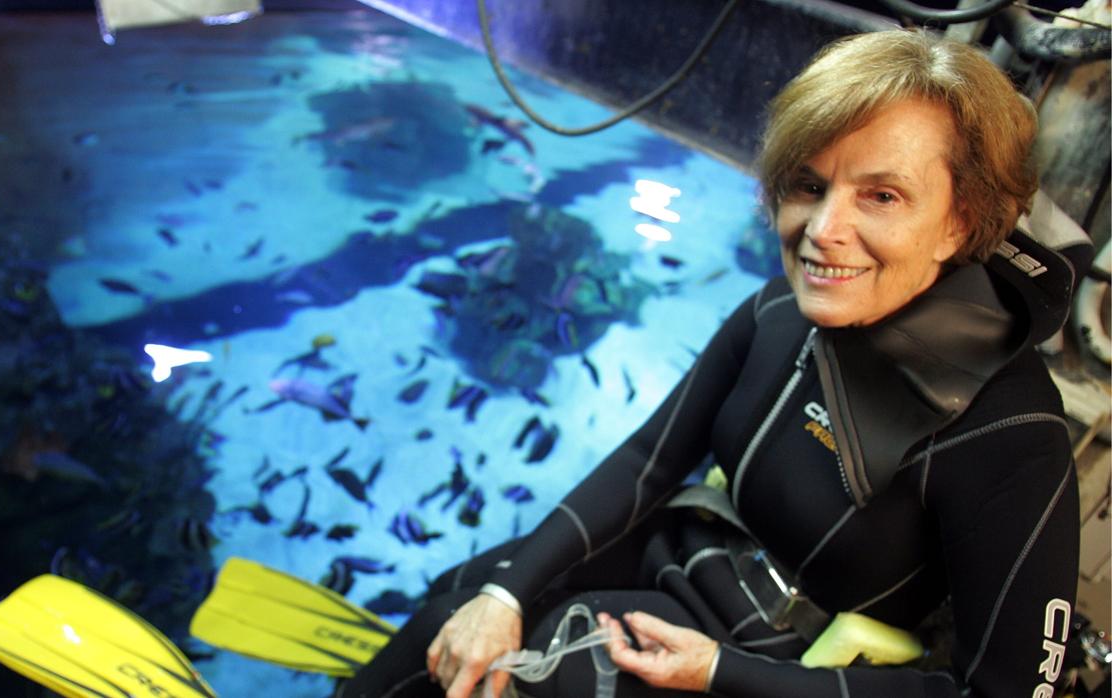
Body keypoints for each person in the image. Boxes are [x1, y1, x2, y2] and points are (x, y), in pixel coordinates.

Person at [340, 28, 1080, 698]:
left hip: (792, 661)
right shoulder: (776, 312)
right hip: (687, 556)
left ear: (959, 221)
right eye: (809, 186)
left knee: (553, 668)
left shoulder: (1013, 435)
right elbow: (647, 461)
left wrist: (723, 673)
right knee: (460, 600)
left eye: (881, 196)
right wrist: (501, 600)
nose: (824, 232)